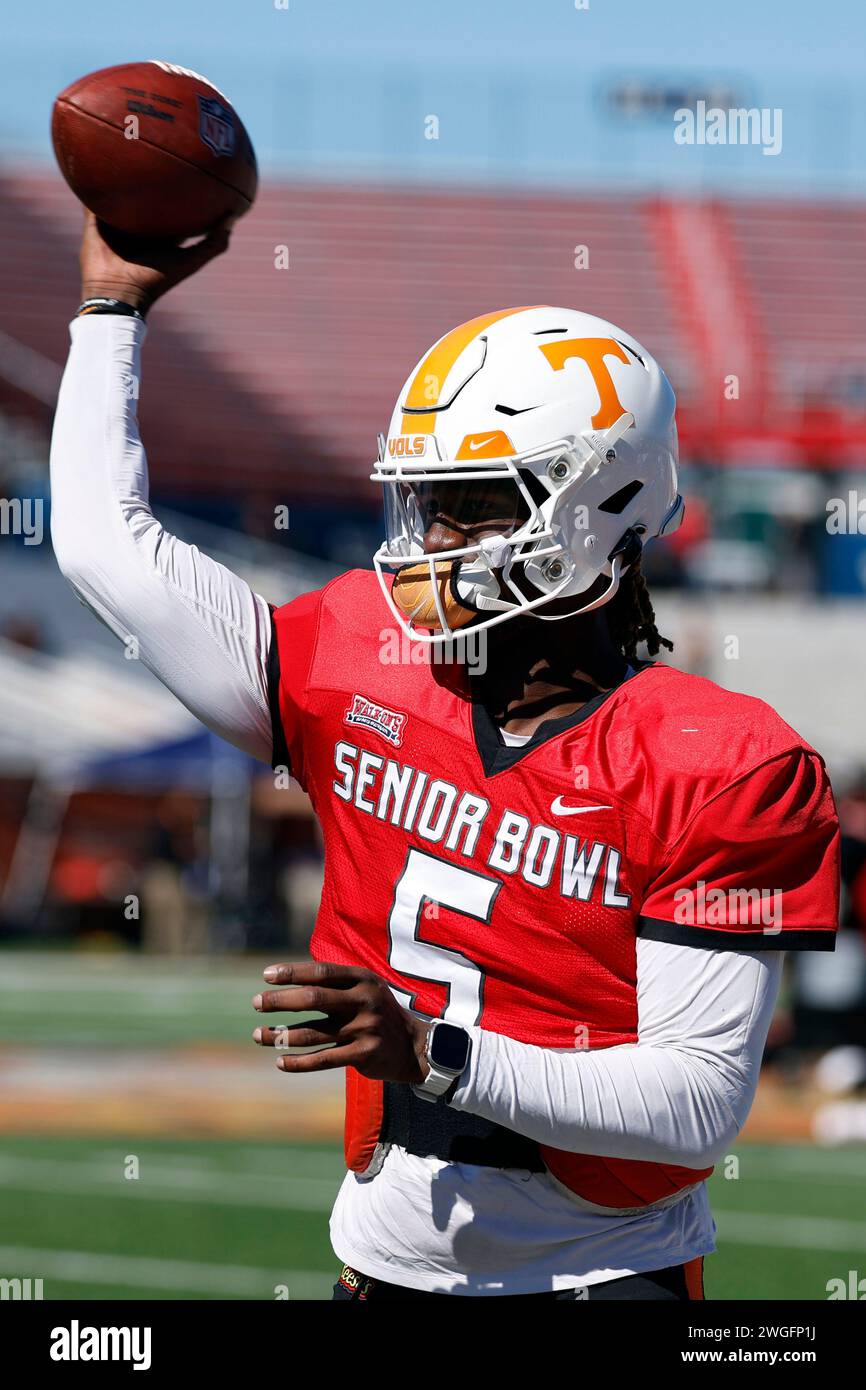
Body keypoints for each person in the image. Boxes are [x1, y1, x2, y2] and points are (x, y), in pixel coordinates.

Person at [50, 214, 840, 1300]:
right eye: (427, 505)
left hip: (599, 1275)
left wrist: (435, 1050)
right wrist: (112, 307)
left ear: (594, 507)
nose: (431, 544)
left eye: (472, 508)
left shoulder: (716, 759)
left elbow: (698, 1102)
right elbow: (103, 545)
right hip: (377, 1271)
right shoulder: (356, 660)